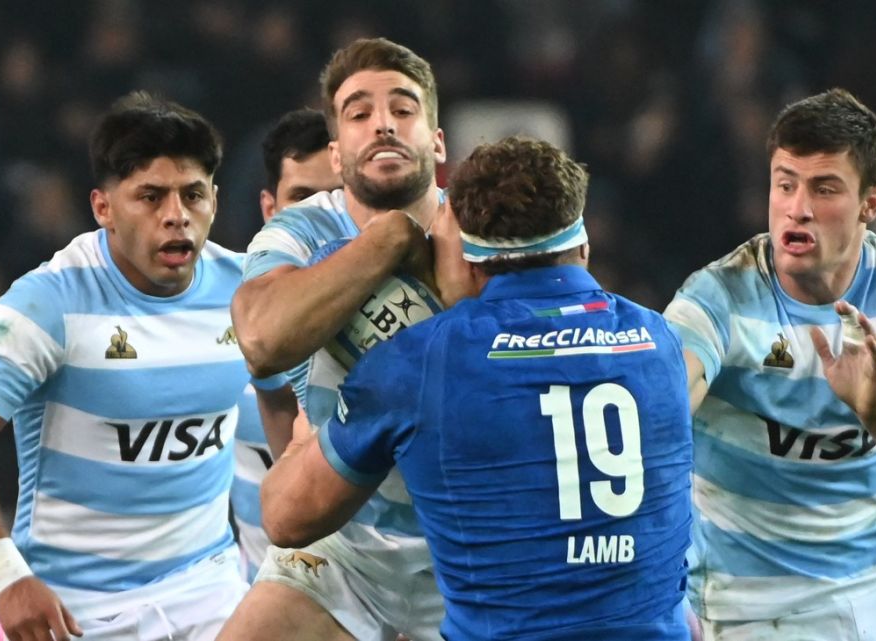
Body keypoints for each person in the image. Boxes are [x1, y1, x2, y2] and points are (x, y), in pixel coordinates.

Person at [260, 136, 694, 641]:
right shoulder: (659, 340)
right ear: (584, 245)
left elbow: (286, 520)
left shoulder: (421, 360)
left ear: (464, 257)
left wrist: (301, 437)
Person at [0, 91, 251, 641]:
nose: (176, 216)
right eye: (150, 196)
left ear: (215, 199)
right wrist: (9, 579)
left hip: (211, 592)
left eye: (193, 195)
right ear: (103, 208)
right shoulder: (46, 303)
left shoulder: (246, 291)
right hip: (80, 610)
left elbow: (296, 418)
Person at [664, 88, 876, 640]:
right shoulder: (718, 297)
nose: (797, 207)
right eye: (785, 183)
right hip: (758, 601)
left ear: (870, 203)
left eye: (824, 188)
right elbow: (661, 408)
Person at [219, 38, 449, 641]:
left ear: (438, 140)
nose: (383, 125)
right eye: (359, 113)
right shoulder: (299, 230)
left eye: (403, 109)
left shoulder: (479, 233)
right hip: (342, 557)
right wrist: (390, 238)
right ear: (337, 155)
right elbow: (265, 342)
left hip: (465, 551)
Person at [232, 107, 341, 579]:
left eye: (337, 197)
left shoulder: (410, 319)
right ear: (269, 210)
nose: (319, 215)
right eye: (303, 198)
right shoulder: (223, 319)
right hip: (274, 597)